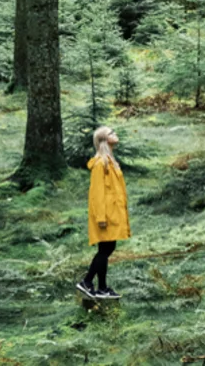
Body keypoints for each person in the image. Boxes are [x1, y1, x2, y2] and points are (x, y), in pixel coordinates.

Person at [76, 126, 129, 299]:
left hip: (111, 212)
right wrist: (100, 217)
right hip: (104, 215)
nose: (116, 134)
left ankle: (100, 287)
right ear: (104, 140)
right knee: (106, 248)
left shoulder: (109, 160)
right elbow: (97, 193)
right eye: (111, 133)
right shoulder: (100, 164)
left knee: (106, 248)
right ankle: (89, 282)